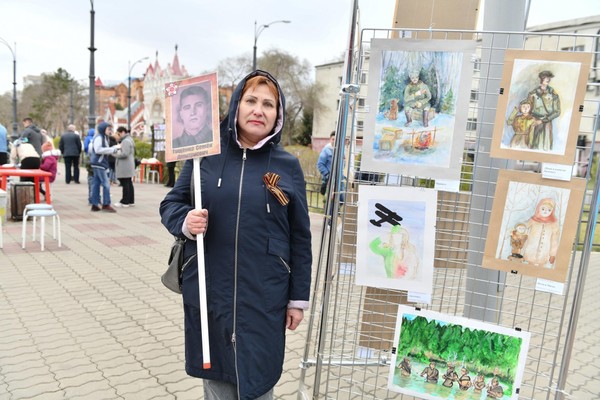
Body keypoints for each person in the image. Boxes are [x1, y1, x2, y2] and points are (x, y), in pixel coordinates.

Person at [160, 70, 312, 400]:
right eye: (251, 100)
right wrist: (185, 220)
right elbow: (172, 203)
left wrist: (297, 299)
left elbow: (300, 236)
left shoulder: (287, 165)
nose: (259, 110)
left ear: (278, 114)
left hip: (265, 295)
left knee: (258, 380)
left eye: (269, 104)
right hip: (211, 290)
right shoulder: (204, 157)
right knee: (216, 378)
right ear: (236, 106)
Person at [89, 122, 120, 212]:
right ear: (103, 129)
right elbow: (98, 150)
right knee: (106, 184)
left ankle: (95, 204)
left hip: (98, 163)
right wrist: (113, 149)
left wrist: (113, 148)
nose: (109, 131)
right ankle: (106, 204)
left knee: (96, 184)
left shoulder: (103, 137)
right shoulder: (99, 137)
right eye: (108, 129)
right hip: (99, 163)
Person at [527, 70, 561, 151]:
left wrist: (542, 121)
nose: (548, 79)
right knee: (532, 146)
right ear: (541, 78)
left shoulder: (553, 94)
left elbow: (557, 111)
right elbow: (528, 109)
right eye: (546, 77)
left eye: (549, 78)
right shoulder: (532, 94)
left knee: (546, 146)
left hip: (546, 123)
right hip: (534, 122)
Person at [522, 198, 559, 267]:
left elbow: (554, 240)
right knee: (529, 267)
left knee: (541, 269)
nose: (545, 211)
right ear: (538, 208)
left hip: (544, 253)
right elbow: (523, 227)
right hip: (531, 251)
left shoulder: (553, 224)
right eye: (543, 209)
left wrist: (552, 254)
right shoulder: (533, 220)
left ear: (552, 211)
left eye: (549, 210)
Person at [114, 127, 135, 207]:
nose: (118, 136)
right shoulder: (130, 139)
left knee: (125, 183)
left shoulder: (126, 141)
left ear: (123, 132)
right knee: (128, 182)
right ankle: (130, 200)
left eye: (119, 134)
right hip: (128, 164)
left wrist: (115, 154)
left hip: (125, 165)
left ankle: (125, 201)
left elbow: (125, 153)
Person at [317, 131, 335, 196]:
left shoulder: (340, 151)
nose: (334, 141)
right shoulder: (326, 150)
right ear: (330, 139)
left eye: (336, 139)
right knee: (329, 201)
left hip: (337, 181)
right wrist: (327, 174)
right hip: (328, 180)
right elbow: (320, 164)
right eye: (333, 139)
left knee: (340, 200)